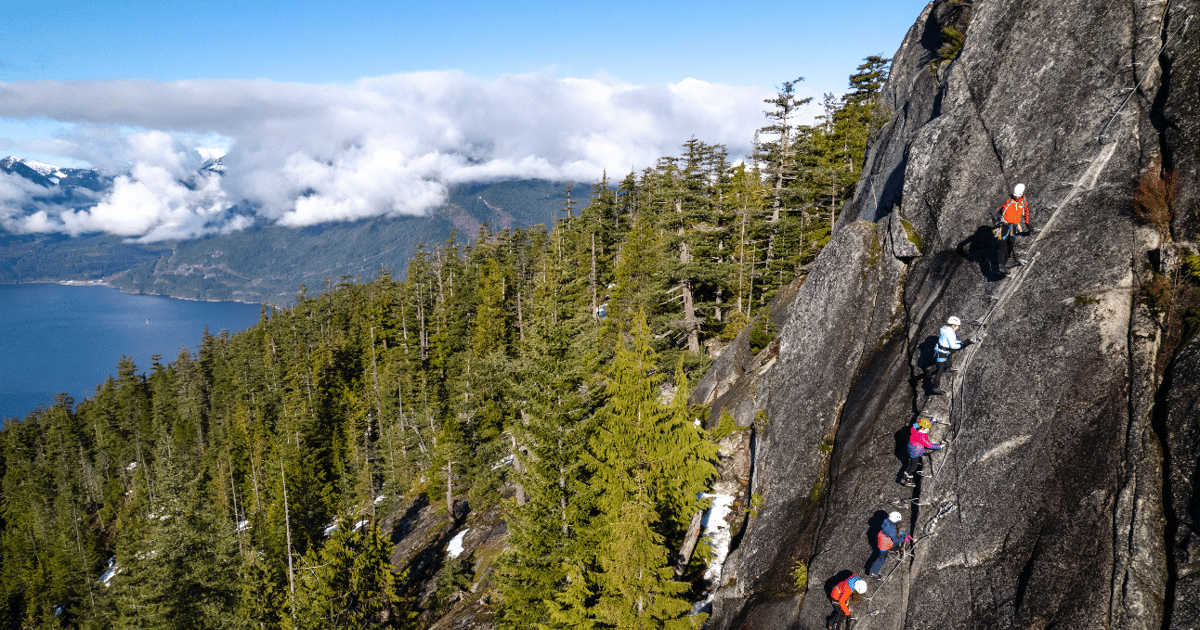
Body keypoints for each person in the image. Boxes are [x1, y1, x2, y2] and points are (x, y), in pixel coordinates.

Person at [927, 316, 973, 395]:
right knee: (940, 370)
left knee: (948, 364)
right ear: (953, 325)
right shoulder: (950, 332)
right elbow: (953, 346)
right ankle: (935, 388)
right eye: (957, 326)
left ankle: (930, 369)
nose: (958, 328)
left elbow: (954, 341)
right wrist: (963, 344)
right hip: (942, 352)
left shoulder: (946, 330)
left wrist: (963, 342)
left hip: (943, 351)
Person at [993, 183, 1032, 274]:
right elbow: (993, 207)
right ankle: (1000, 265)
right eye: (1015, 196)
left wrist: (1028, 224)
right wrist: (995, 220)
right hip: (1003, 224)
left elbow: (1026, 212)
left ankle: (1004, 265)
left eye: (1018, 196)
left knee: (1011, 243)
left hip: (1013, 226)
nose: (1016, 198)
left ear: (1022, 194)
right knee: (1002, 243)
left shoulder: (1023, 202)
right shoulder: (1007, 199)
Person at [867, 512, 912, 577]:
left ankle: (892, 549)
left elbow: (897, 530)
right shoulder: (891, 529)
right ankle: (873, 572)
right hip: (884, 544)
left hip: (882, 538)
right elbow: (896, 539)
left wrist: (905, 535)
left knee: (892, 545)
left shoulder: (886, 521)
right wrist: (904, 539)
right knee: (882, 558)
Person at [902, 417, 943, 486]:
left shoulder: (915, 429)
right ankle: (908, 478)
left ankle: (904, 477)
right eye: (927, 429)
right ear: (923, 429)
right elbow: (929, 445)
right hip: (915, 452)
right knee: (914, 464)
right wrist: (940, 446)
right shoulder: (921, 437)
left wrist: (932, 421)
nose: (928, 430)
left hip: (911, 449)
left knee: (911, 462)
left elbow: (922, 424)